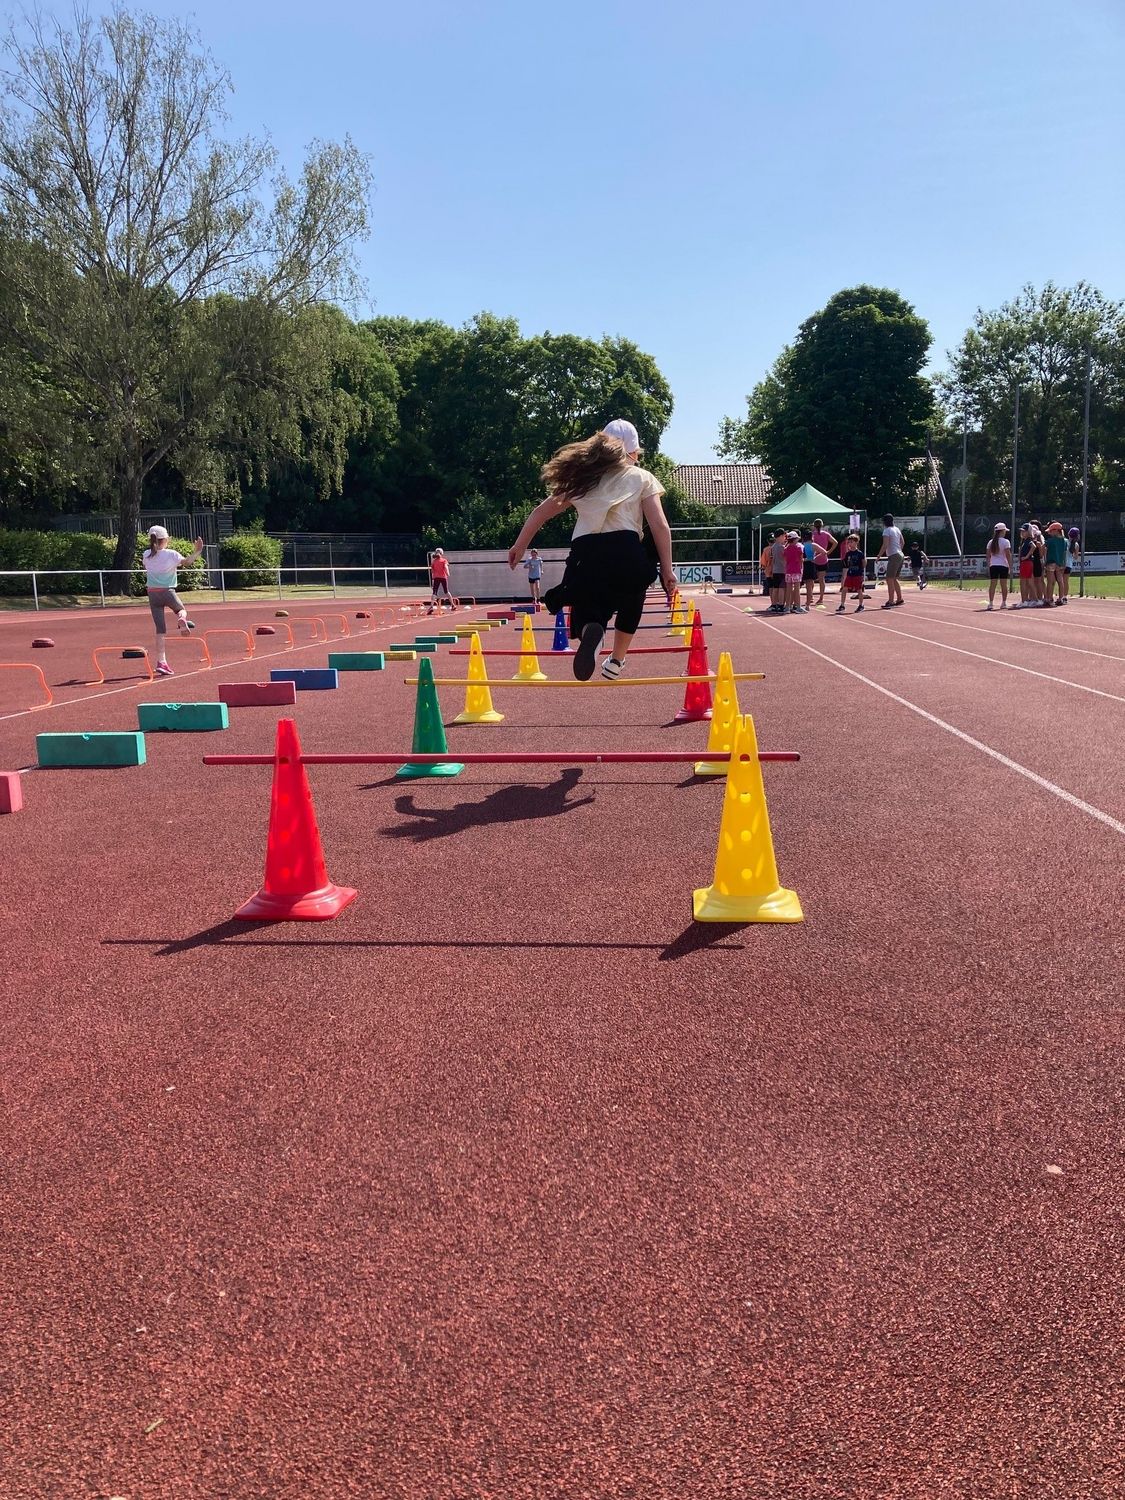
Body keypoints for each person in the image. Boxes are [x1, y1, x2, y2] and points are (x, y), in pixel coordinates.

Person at [508, 419, 675, 680]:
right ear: (633, 453)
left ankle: (592, 631)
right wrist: (667, 569)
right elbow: (659, 525)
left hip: (585, 553)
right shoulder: (641, 477)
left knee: (585, 606)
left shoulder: (582, 479)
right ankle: (616, 660)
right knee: (633, 593)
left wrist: (519, 546)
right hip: (626, 549)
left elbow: (540, 512)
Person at [142, 526, 202, 677]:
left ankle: (161, 662)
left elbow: (148, 564)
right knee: (181, 610)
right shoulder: (171, 554)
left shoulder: (146, 554)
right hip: (167, 591)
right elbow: (187, 562)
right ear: (166, 539)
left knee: (160, 629)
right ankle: (181, 618)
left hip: (152, 594)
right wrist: (197, 551)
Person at [876, 513, 906, 607]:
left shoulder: (887, 530)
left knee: (889, 578)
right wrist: (899, 550)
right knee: (894, 578)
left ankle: (891, 601)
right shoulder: (897, 529)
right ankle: (899, 599)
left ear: (884, 522)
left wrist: (879, 556)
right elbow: (903, 542)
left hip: (894, 555)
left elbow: (885, 545)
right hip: (900, 554)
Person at [810, 518, 837, 607]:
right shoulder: (826, 534)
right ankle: (821, 598)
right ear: (822, 525)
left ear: (814, 526)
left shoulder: (812, 535)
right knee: (821, 579)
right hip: (823, 558)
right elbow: (835, 542)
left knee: (811, 579)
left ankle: (811, 596)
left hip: (814, 559)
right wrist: (828, 551)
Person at [835, 534, 866, 613]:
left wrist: (861, 570)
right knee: (844, 588)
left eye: (851, 542)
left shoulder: (860, 553)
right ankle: (842, 605)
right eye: (849, 542)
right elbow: (846, 563)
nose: (849, 544)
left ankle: (861, 605)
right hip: (850, 573)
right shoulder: (848, 554)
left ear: (856, 542)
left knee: (859, 589)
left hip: (857, 574)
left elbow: (864, 563)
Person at [985, 523, 1012, 610]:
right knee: (1003, 584)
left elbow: (988, 555)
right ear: (1002, 531)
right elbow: (1008, 555)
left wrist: (989, 565)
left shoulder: (990, 542)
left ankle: (991, 603)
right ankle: (1003, 602)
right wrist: (1010, 566)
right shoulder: (1006, 542)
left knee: (993, 584)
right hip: (1003, 565)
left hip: (993, 565)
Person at [801, 530, 828, 610]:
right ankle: (807, 604)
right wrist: (814, 557)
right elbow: (824, 552)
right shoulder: (813, 545)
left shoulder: (802, 545)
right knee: (809, 586)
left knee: (799, 585)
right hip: (811, 565)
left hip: (803, 564)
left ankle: (795, 603)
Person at [1043, 522, 1068, 606]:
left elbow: (1044, 550)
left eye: (1050, 531)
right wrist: (1064, 563)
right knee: (1060, 581)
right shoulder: (1064, 541)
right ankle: (1061, 598)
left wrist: (1044, 561)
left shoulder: (1050, 541)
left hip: (1051, 562)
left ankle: (1049, 599)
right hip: (1060, 563)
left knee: (1050, 582)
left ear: (1056, 531)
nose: (1049, 533)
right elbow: (1064, 553)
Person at [783, 531, 806, 614]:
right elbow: (801, 560)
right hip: (796, 570)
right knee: (797, 589)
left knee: (788, 589)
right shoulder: (799, 548)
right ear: (794, 539)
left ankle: (787, 607)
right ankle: (798, 607)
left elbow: (785, 560)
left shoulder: (786, 549)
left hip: (788, 570)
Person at [1014, 524, 1035, 607]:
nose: (1022, 532)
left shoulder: (1028, 540)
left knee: (1024, 582)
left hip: (1026, 562)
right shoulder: (1024, 541)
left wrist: (1026, 556)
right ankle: (1028, 600)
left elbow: (1033, 546)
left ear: (1028, 532)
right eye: (1022, 531)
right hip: (1026, 562)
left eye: (1024, 531)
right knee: (1026, 582)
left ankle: (1025, 601)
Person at [428, 548, 453, 613]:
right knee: (446, 591)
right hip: (443, 577)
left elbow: (432, 571)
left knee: (434, 592)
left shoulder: (434, 562)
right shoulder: (444, 560)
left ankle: (431, 606)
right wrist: (447, 573)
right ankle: (453, 605)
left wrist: (433, 576)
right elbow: (446, 567)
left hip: (436, 577)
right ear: (442, 553)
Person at [1064, 526, 1082, 600]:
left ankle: (1061, 596)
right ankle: (1065, 596)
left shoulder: (1065, 541)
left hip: (1062, 563)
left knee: (1060, 581)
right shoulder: (1076, 545)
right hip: (1069, 564)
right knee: (1066, 581)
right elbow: (1075, 557)